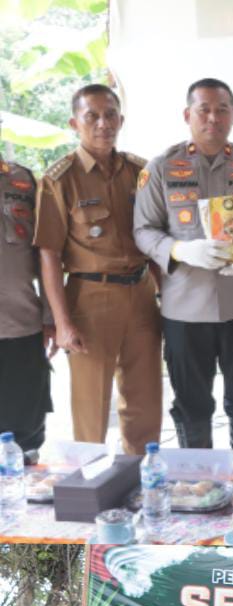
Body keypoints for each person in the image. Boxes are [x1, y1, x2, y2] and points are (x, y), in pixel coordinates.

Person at [133, 77, 233, 472]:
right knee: (191, 401)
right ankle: (200, 480)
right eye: (204, 109)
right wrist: (181, 250)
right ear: (188, 115)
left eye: (222, 109)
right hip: (185, 307)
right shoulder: (162, 168)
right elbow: (143, 230)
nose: (213, 118)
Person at [34, 84, 161, 454]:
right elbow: (48, 256)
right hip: (90, 298)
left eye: (110, 115)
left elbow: (154, 239)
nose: (103, 124)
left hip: (140, 293)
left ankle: (141, 479)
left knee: (145, 398)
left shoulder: (141, 172)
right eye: (92, 116)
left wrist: (163, 291)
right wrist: (61, 322)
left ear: (121, 119)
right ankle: (90, 487)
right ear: (75, 122)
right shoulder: (60, 179)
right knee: (91, 405)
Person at [0, 140, 54, 461]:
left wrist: (51, 317)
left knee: (27, 434)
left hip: (22, 326)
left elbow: (45, 254)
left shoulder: (23, 182)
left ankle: (24, 502)